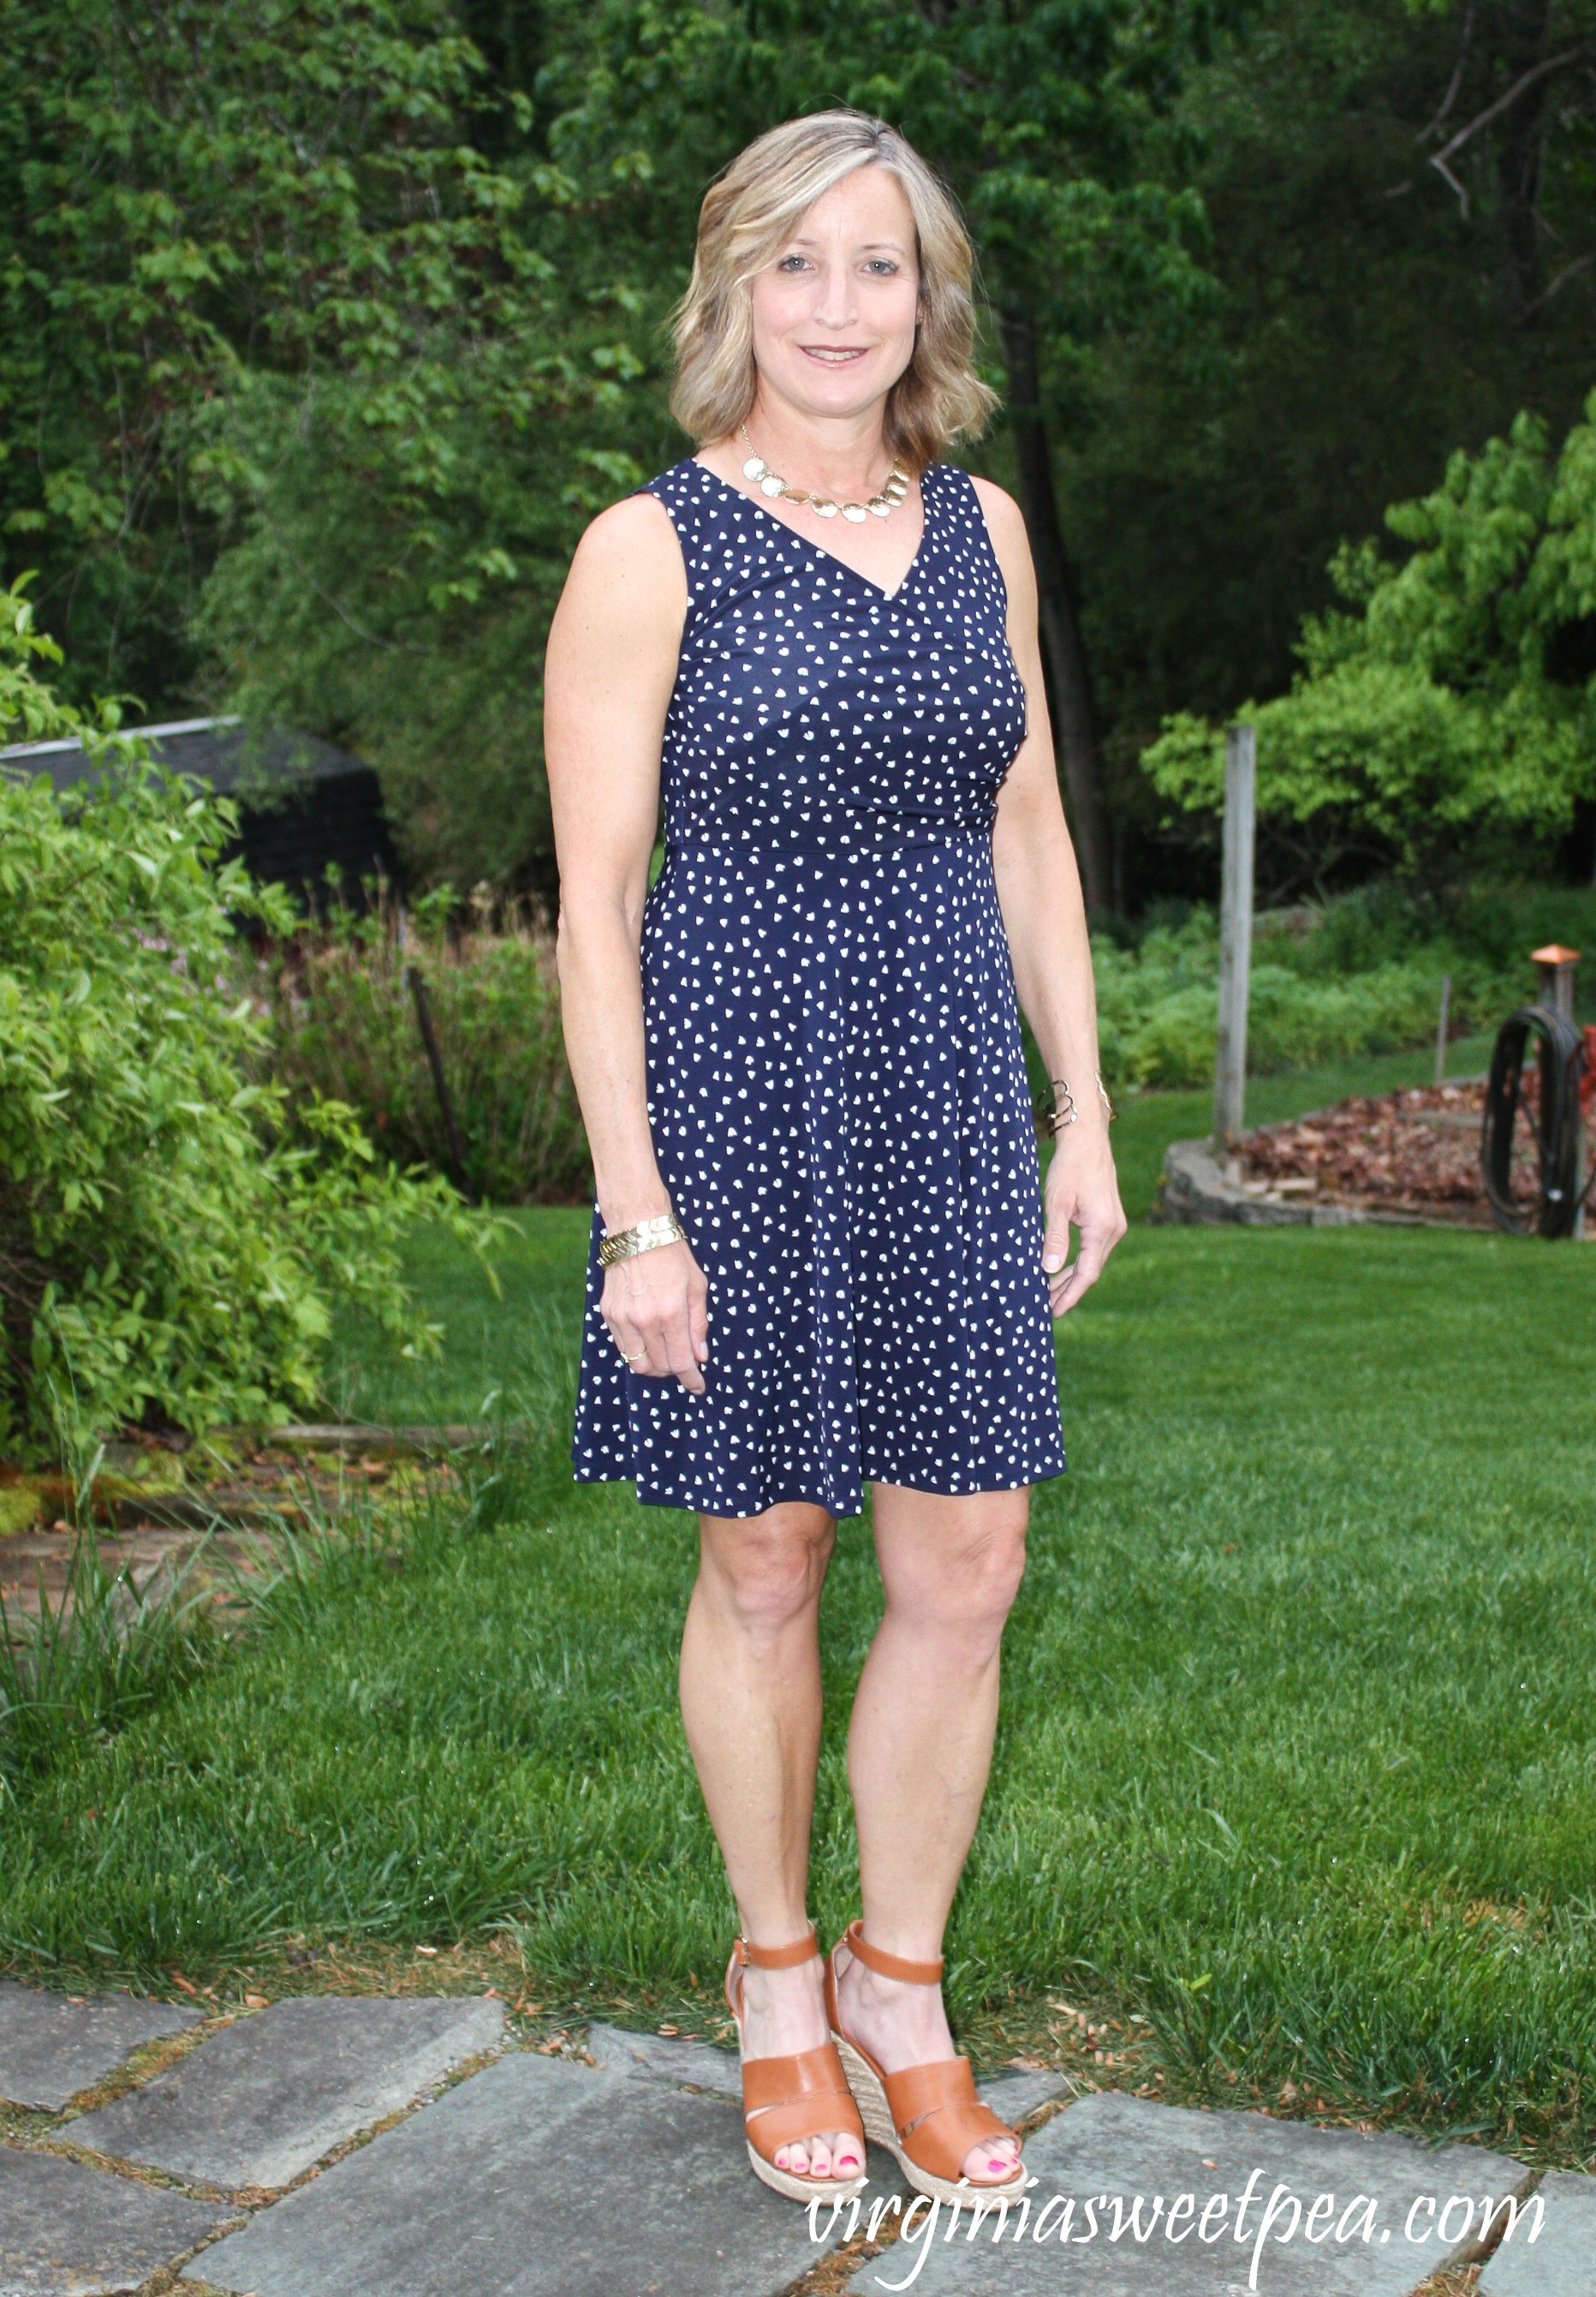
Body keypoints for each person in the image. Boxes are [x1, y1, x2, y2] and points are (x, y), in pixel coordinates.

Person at [545, 109, 1125, 2208]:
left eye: (875, 263)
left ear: (924, 297)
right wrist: (635, 1211)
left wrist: (1083, 1107)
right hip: (734, 1101)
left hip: (947, 1094)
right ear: (733, 288)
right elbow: (595, 906)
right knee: (769, 1554)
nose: (834, 304)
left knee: (967, 1562)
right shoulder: (648, 548)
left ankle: (900, 1987)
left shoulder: (983, 531)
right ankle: (777, 1977)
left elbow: (1026, 829)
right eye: (794, 261)